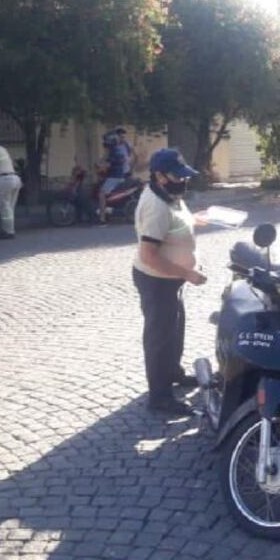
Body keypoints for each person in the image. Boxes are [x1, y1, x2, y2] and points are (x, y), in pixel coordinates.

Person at [132, 148, 208, 416]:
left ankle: (173, 372)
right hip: (156, 280)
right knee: (159, 336)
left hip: (170, 279)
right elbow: (149, 255)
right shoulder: (155, 206)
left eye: (185, 175)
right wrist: (188, 273)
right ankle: (160, 397)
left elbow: (176, 221)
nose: (184, 181)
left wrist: (195, 220)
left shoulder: (170, 194)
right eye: (178, 176)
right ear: (160, 176)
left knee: (175, 327)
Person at [97, 132, 131, 226]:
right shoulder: (115, 150)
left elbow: (107, 164)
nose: (104, 143)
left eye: (105, 140)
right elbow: (103, 160)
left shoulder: (113, 151)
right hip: (116, 176)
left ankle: (102, 218)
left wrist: (98, 167)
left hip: (114, 177)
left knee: (101, 194)